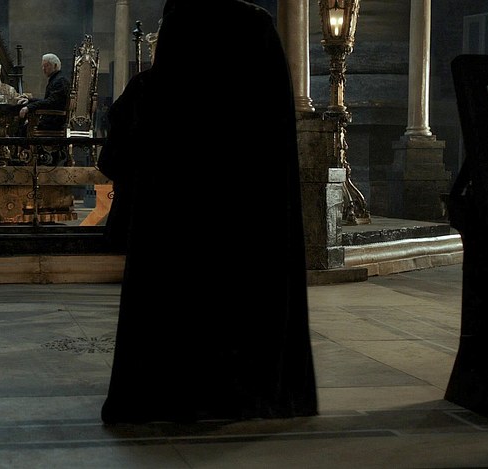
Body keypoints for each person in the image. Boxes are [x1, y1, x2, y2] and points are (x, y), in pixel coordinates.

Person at [97, 0, 318, 424]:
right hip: (249, 203)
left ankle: (179, 389)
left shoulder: (184, 22)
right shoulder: (256, 25)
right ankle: (250, 389)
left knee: (184, 297)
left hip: (181, 205)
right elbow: (273, 132)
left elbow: (156, 128)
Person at [18, 53, 70, 132]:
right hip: (51, 118)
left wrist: (29, 107)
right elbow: (49, 100)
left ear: (55, 66)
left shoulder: (60, 81)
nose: (43, 69)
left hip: (54, 122)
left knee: (22, 130)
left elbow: (51, 102)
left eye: (46, 66)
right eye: (43, 66)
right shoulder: (56, 79)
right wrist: (29, 100)